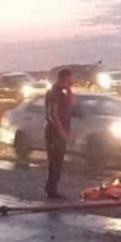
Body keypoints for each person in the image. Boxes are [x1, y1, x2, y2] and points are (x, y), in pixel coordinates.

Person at [44, 68, 76, 199]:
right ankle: (51, 190)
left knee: (58, 161)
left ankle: (51, 187)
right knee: (55, 161)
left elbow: (73, 103)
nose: (71, 82)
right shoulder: (55, 93)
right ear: (63, 78)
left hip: (60, 131)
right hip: (54, 133)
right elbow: (53, 113)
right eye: (69, 80)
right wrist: (61, 131)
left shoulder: (62, 93)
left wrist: (69, 90)